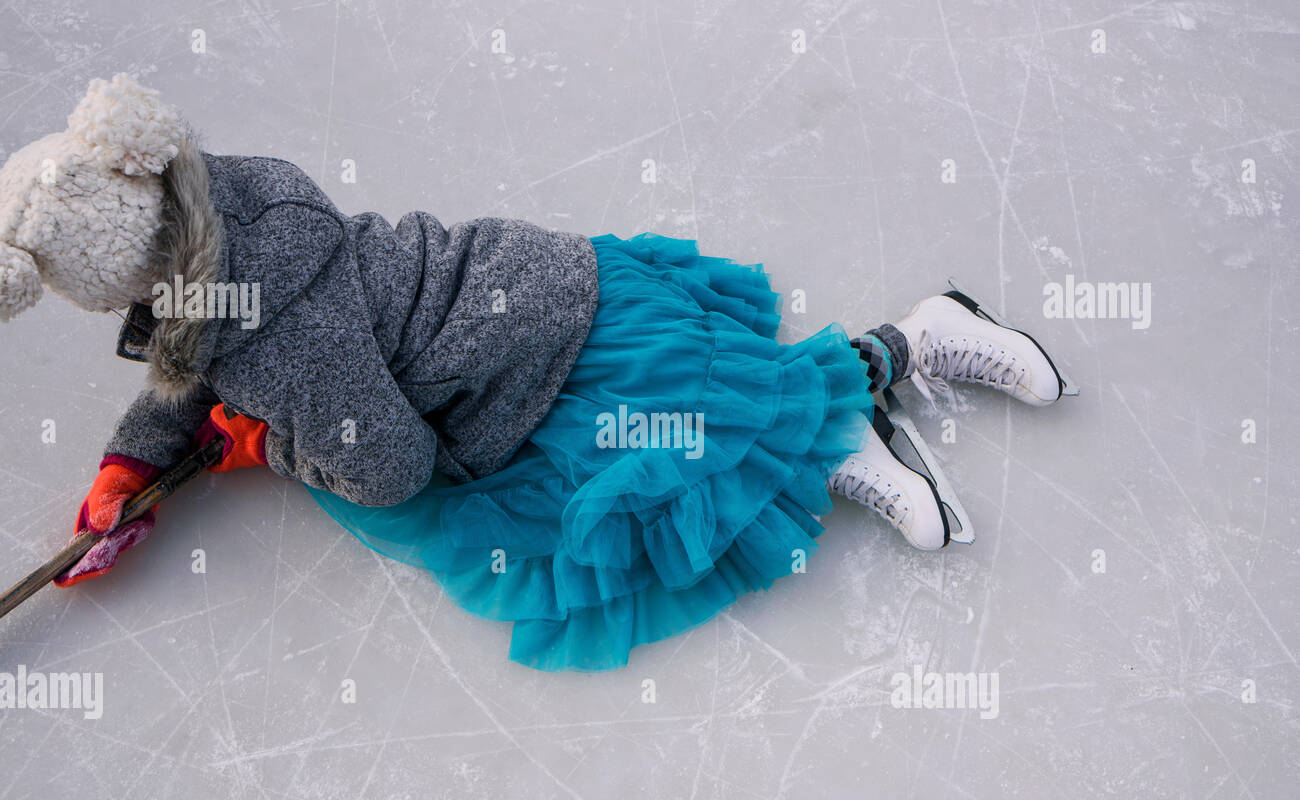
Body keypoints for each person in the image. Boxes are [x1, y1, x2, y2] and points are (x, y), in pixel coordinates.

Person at [0, 75, 1072, 671]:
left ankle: (904, 347)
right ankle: (824, 427)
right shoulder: (221, 199)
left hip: (530, 375)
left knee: (640, 476)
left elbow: (388, 468)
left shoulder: (279, 338)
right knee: (672, 447)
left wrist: (267, 443)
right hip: (525, 285)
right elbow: (199, 348)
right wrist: (131, 458)